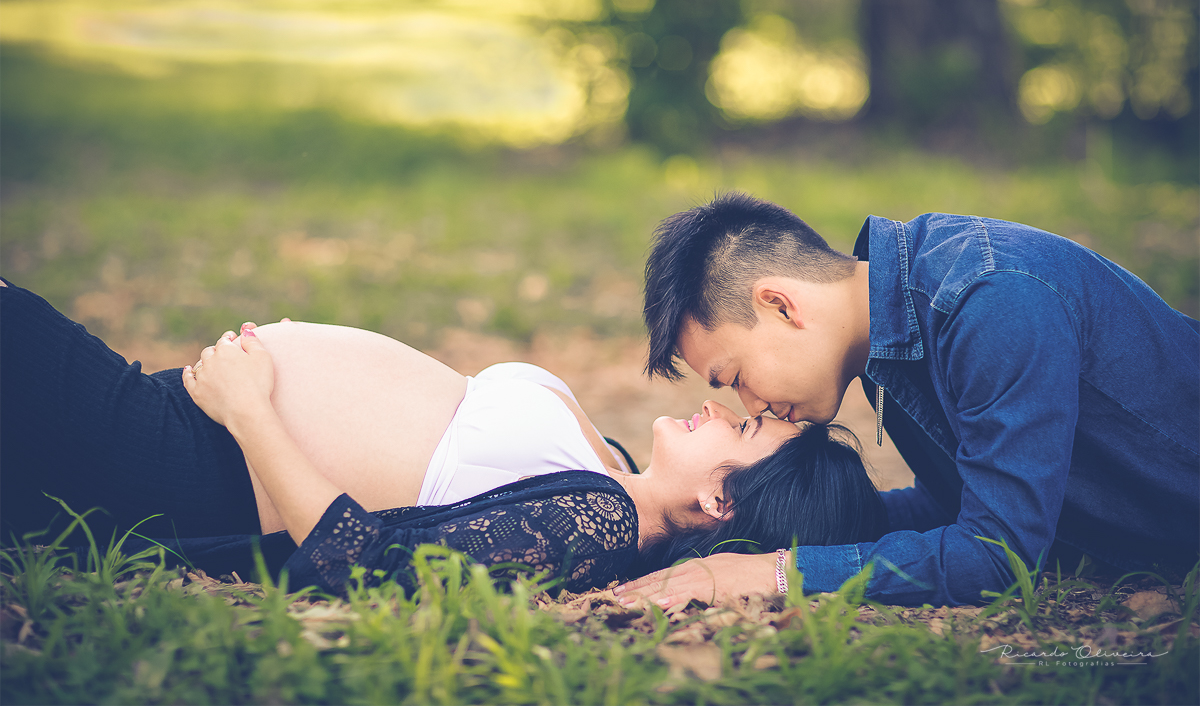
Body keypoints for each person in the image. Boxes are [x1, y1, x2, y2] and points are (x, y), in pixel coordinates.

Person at [0, 278, 886, 594]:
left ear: (720, 499)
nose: (726, 409)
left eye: (747, 431)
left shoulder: (599, 526)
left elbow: (373, 562)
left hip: (188, 460)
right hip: (189, 426)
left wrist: (249, 410)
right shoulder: (608, 479)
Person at [616, 192, 1199, 609]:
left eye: (736, 374)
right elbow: (958, 498)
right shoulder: (884, 339)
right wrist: (758, 531)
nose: (752, 406)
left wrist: (777, 572)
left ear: (782, 306)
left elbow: (997, 556)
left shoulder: (989, 302)